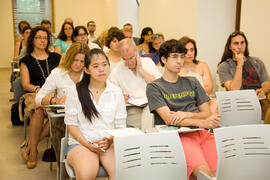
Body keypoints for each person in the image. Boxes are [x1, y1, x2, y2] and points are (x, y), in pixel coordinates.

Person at [146, 39, 220, 179]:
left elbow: (207, 113)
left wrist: (186, 114)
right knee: (206, 175)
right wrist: (201, 122)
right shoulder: (154, 87)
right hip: (179, 137)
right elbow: (170, 119)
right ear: (163, 59)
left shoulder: (192, 81)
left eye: (181, 56)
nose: (179, 61)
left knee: (220, 174)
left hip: (202, 134)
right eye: (174, 57)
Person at [65, 48, 126, 180]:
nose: (101, 69)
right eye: (96, 66)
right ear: (86, 70)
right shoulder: (75, 91)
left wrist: (109, 140)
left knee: (121, 174)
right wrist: (86, 143)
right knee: (86, 174)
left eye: (105, 65)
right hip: (81, 143)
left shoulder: (116, 92)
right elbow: (71, 125)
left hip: (108, 144)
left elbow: (120, 125)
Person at [35, 42, 90, 167]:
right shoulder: (58, 74)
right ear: (69, 57)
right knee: (61, 131)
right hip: (63, 120)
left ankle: (83, 167)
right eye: (75, 60)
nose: (78, 65)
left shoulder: (89, 73)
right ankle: (66, 169)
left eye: (82, 61)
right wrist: (55, 101)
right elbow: (38, 98)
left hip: (86, 119)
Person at [20, 26, 61, 169]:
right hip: (34, 93)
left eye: (45, 38)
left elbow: (63, 76)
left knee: (58, 114)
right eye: (39, 37)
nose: (42, 40)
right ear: (33, 40)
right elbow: (25, 84)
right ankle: (32, 153)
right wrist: (40, 90)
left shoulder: (56, 57)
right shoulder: (26, 60)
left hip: (55, 93)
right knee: (39, 109)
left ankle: (31, 144)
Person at [217, 31, 270, 123]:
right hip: (240, 103)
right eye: (236, 43)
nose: (240, 47)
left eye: (242, 42)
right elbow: (234, 89)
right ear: (230, 47)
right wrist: (239, 65)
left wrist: (262, 90)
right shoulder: (224, 66)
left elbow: (267, 84)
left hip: (260, 100)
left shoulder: (257, 62)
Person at [109, 38, 161, 129]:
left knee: (150, 120)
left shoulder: (147, 62)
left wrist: (141, 70)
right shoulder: (116, 71)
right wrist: (121, 97)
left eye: (131, 58)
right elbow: (112, 96)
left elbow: (158, 85)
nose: (129, 62)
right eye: (125, 59)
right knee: (139, 126)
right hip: (132, 107)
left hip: (151, 104)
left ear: (136, 52)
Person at [179, 36, 217, 114]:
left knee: (215, 102)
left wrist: (195, 93)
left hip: (204, 99)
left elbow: (209, 88)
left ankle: (208, 123)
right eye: (186, 51)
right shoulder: (177, 68)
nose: (189, 53)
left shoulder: (202, 65)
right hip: (185, 101)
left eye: (192, 50)